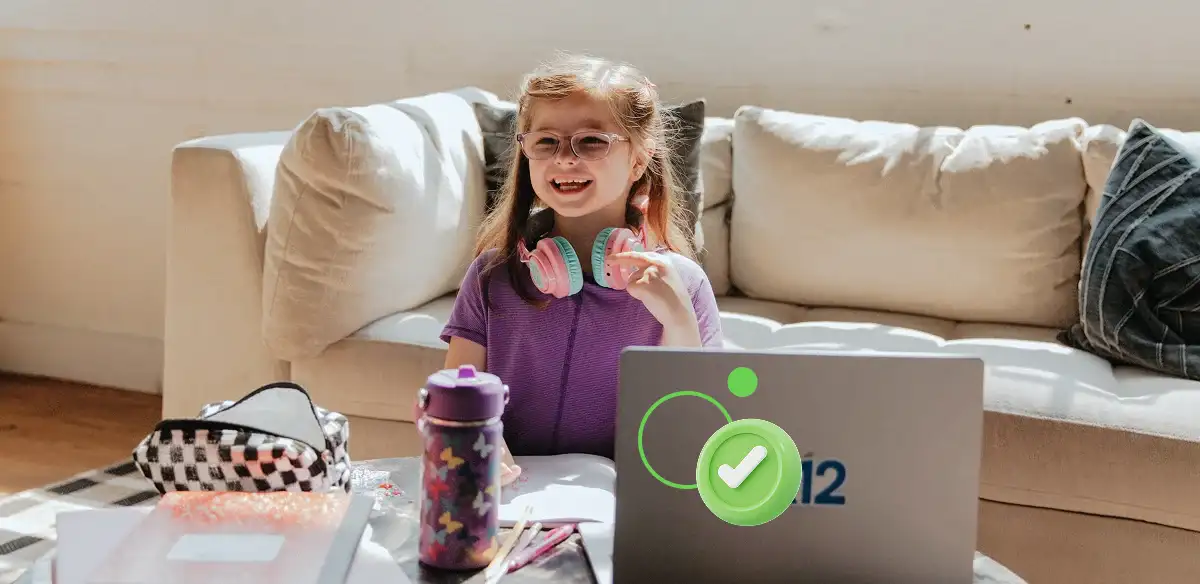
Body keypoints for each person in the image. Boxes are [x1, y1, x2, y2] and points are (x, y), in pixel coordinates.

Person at [431, 53, 723, 485]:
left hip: (625, 498)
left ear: (639, 160)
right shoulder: (493, 276)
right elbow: (454, 392)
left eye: (592, 141)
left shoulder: (682, 283)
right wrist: (477, 441)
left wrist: (677, 317)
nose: (565, 159)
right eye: (545, 142)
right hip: (512, 495)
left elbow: (696, 429)